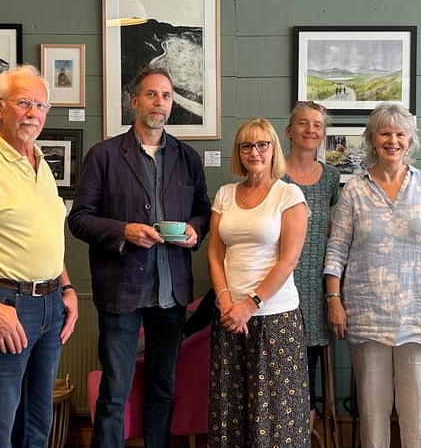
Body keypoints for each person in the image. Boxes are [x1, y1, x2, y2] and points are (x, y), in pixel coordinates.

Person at [68, 66, 210, 447]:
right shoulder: (104, 155)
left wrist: (196, 229)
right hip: (122, 292)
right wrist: (123, 231)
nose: (159, 103)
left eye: (165, 96)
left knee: (163, 389)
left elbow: (203, 210)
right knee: (115, 391)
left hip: (171, 294)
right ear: (134, 101)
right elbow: (79, 220)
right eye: (151, 94)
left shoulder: (187, 157)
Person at [324, 103, 421, 448]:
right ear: (372, 139)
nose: (393, 140)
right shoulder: (354, 190)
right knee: (373, 412)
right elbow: (336, 251)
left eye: (400, 133)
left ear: (410, 140)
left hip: (419, 315)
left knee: (416, 413)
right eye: (385, 133)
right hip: (366, 315)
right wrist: (334, 300)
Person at [0, 64, 78, 446]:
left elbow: (41, 235)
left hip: (49, 306)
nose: (33, 113)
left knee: (35, 425)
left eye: (41, 105)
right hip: (5, 306)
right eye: (23, 102)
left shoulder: (41, 164)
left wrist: (68, 288)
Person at [207, 118, 311, 446]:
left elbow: (289, 259)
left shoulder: (288, 194)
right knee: (230, 412)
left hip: (273, 319)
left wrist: (249, 306)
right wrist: (226, 302)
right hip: (228, 318)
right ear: (238, 152)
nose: (255, 152)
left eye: (262, 144)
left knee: (276, 417)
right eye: (246, 145)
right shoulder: (225, 194)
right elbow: (214, 254)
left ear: (273, 150)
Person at [282, 101, 341, 434]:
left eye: (317, 125)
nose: (310, 130)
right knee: (278, 366)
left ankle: (303, 432)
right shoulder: (274, 173)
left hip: (316, 287)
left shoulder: (331, 178)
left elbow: (334, 230)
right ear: (289, 131)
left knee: (308, 367)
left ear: (323, 134)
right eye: (303, 124)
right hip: (278, 282)